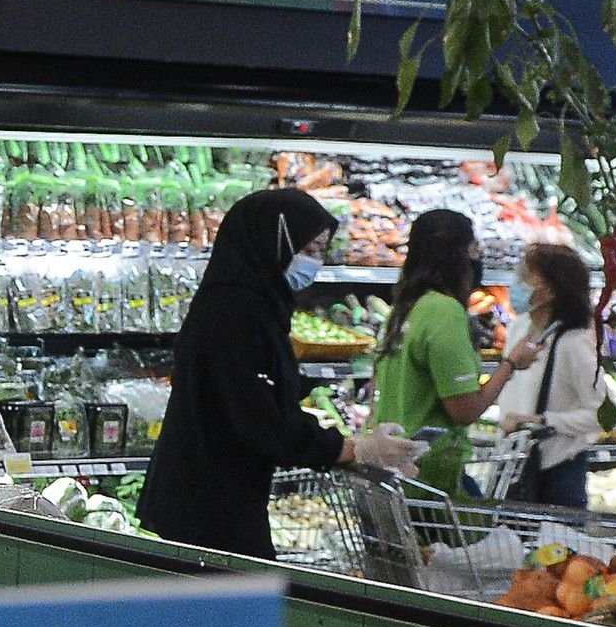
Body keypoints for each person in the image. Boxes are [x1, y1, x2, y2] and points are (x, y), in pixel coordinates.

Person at [137, 187, 419, 559]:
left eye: (320, 251)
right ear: (271, 242)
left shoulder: (253, 305)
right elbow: (260, 420)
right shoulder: (236, 314)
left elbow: (267, 407)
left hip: (217, 496)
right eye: (308, 250)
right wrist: (352, 448)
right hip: (207, 504)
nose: (314, 263)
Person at [370, 206, 542, 505]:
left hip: (390, 469)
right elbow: (465, 410)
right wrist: (511, 363)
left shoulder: (404, 308)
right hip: (430, 476)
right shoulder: (445, 312)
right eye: (474, 247)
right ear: (461, 254)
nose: (478, 256)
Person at [492, 241, 603, 509]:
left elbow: (603, 414)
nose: (516, 282)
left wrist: (542, 420)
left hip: (558, 472)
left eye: (525, 276)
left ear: (550, 290)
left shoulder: (573, 342)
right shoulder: (518, 328)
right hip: (512, 463)